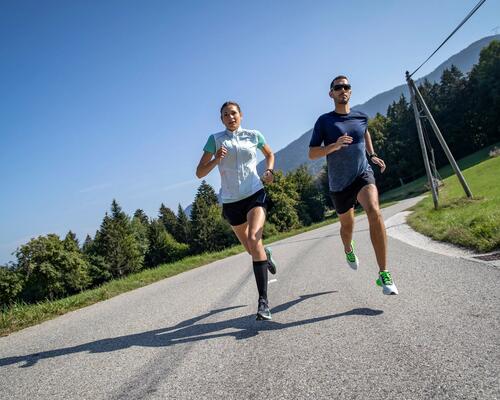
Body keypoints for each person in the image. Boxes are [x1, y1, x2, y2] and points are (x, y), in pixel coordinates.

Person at [308, 75, 398, 295]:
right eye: (338, 87)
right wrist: (334, 145)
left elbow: (365, 133)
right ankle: (348, 248)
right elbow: (312, 153)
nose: (342, 90)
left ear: (350, 91)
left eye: (346, 87)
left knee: (374, 211)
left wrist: (373, 154)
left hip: (362, 175)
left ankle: (384, 273)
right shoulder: (324, 121)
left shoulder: (361, 116)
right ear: (331, 93)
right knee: (347, 227)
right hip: (339, 184)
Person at [196, 101, 278, 319]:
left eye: (233, 113)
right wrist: (216, 159)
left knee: (253, 237)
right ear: (222, 119)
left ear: (241, 115)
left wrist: (269, 171)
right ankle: (265, 254)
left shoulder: (253, 135)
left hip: (254, 193)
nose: (230, 117)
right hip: (232, 201)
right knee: (252, 248)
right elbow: (199, 172)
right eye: (225, 115)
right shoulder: (215, 140)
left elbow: (270, 154)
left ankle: (263, 303)